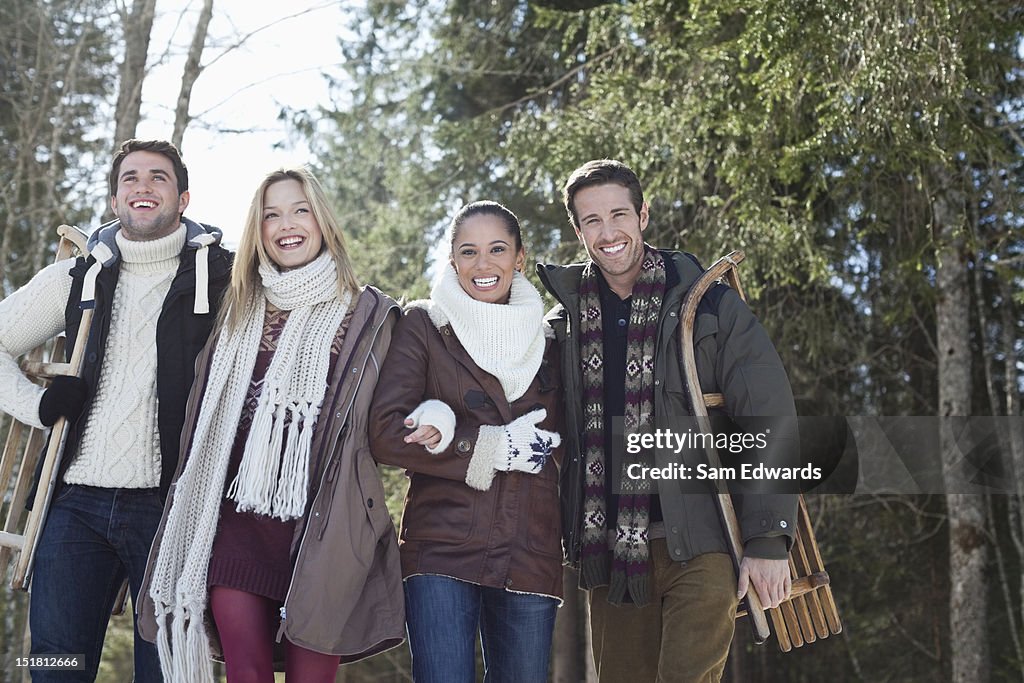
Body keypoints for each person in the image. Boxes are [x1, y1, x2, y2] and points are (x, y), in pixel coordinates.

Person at [537, 159, 799, 683]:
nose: (608, 232)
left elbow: (767, 415)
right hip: (609, 553)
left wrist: (769, 540)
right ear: (577, 229)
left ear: (643, 215)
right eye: (592, 220)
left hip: (702, 540)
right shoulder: (561, 328)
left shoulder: (708, 305)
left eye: (618, 214)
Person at [138, 167, 404, 682]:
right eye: (270, 214)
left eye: (300, 209)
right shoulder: (236, 311)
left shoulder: (370, 315)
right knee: (247, 671)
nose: (286, 224)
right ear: (257, 231)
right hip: (233, 529)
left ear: (322, 220)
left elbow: (398, 406)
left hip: (324, 534)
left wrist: (432, 419)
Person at [0, 138, 231, 681]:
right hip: (74, 506)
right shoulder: (78, 277)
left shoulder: (222, 277)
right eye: (130, 178)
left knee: (170, 672)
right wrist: (37, 406)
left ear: (184, 198)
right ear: (113, 199)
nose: (143, 187)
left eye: (158, 177)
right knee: (53, 666)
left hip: (171, 508)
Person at [369, 201, 564, 683]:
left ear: (519, 257)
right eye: (468, 251)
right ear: (452, 260)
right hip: (441, 546)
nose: (483, 265)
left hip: (530, 547)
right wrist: (484, 446)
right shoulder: (425, 325)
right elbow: (386, 432)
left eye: (497, 249)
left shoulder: (553, 340)